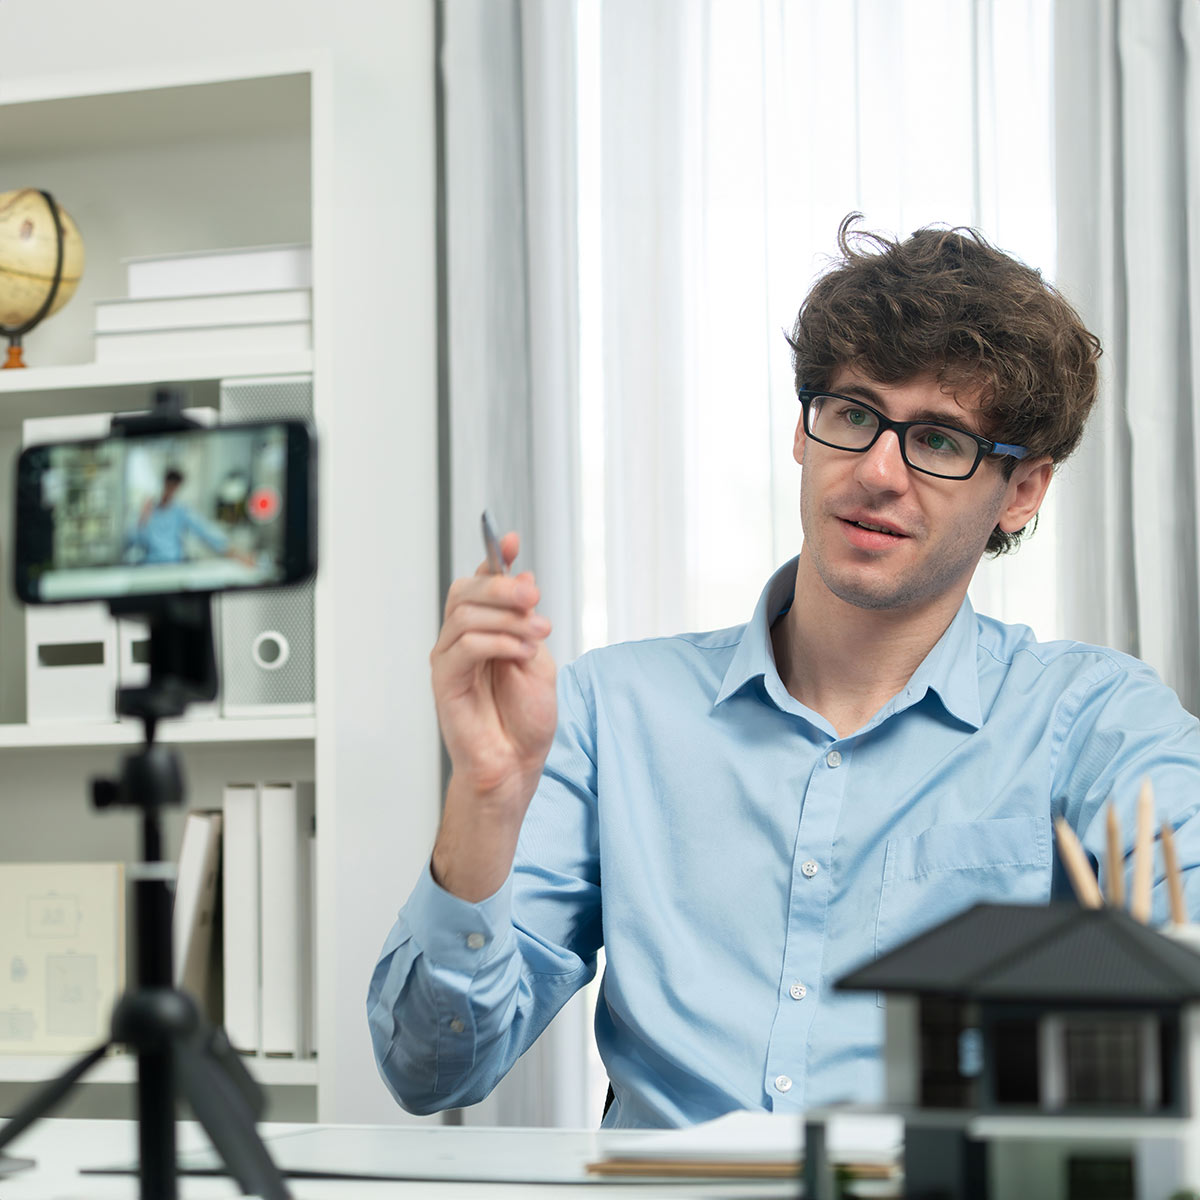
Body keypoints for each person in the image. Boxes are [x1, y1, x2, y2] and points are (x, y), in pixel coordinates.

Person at [368, 216, 1200, 1129]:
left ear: (1023, 491)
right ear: (803, 434)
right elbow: (430, 1069)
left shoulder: (1094, 721)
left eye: (939, 440)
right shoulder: (610, 711)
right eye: (852, 415)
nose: (878, 472)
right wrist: (484, 800)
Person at [126, 467, 254, 567]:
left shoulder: (181, 511)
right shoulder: (147, 511)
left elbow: (205, 532)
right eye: (168, 486)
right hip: (151, 566)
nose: (170, 491)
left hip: (174, 565)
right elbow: (132, 542)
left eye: (174, 487)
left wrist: (234, 553)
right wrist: (142, 519)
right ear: (163, 483)